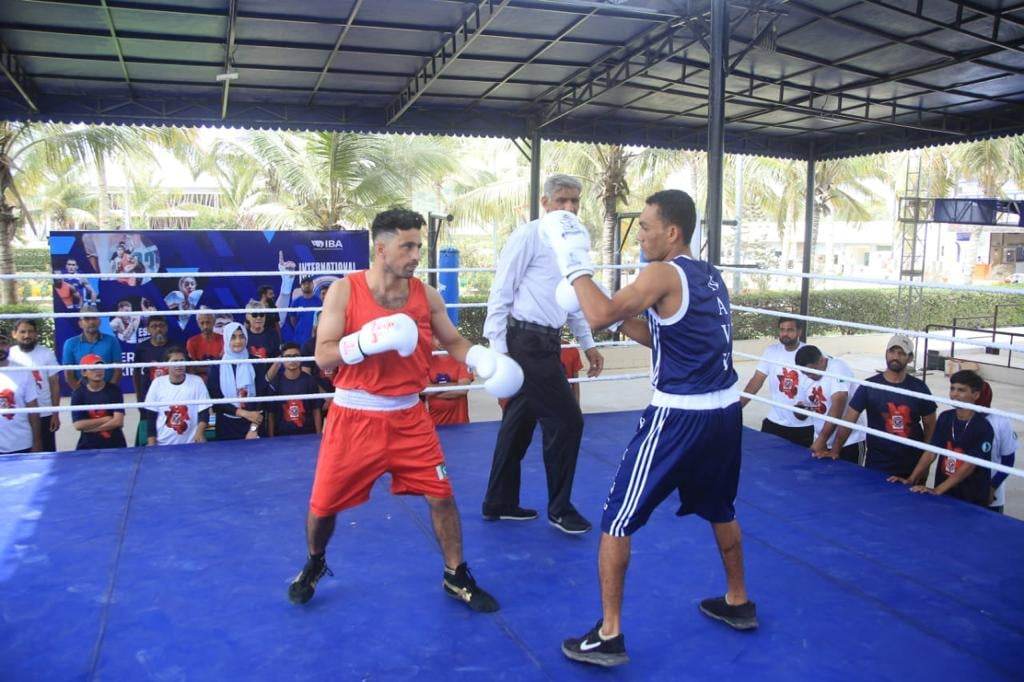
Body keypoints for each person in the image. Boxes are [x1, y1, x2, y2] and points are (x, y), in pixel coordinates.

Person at [545, 190, 755, 668]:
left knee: (617, 517)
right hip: (724, 412)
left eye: (644, 226)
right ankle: (739, 601)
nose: (639, 235)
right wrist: (615, 322)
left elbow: (600, 312)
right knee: (721, 506)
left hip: (678, 416)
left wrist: (574, 266)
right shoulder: (708, 275)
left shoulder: (660, 272)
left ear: (672, 232)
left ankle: (610, 634)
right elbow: (660, 333)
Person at [287, 207, 521, 613]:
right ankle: (314, 561)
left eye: (418, 245)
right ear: (381, 248)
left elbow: (453, 341)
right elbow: (324, 357)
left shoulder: (426, 295)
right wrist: (363, 342)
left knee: (441, 495)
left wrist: (481, 358)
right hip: (354, 416)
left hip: (410, 416)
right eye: (407, 246)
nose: (415, 255)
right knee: (323, 506)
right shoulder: (345, 291)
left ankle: (455, 573)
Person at [481, 174, 604, 534]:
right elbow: (501, 290)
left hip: (548, 341)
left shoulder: (573, 242)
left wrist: (587, 343)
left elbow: (574, 297)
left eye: (575, 202)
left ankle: (498, 501)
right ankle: (560, 509)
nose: (569, 208)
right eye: (562, 200)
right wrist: (498, 349)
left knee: (518, 424)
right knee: (568, 421)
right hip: (525, 342)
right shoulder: (528, 235)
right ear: (545, 202)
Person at [830, 334, 937, 477]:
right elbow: (849, 420)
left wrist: (924, 466)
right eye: (892, 351)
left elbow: (930, 426)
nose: (895, 356)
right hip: (877, 463)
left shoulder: (920, 388)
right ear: (886, 353)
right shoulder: (869, 386)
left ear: (910, 358)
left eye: (901, 353)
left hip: (911, 464)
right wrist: (835, 451)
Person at [890, 370, 993, 507]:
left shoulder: (983, 427)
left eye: (961, 390)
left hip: (971, 498)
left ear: (975, 394)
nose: (954, 394)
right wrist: (911, 479)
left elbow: (969, 466)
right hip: (944, 494)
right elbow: (931, 451)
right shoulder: (946, 417)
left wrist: (937, 490)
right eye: (952, 388)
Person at [739, 317, 812, 447]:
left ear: (799, 332)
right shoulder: (771, 351)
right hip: (775, 421)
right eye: (782, 329)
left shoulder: (809, 353)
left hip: (804, 424)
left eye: (790, 330)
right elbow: (756, 381)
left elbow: (821, 385)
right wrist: (737, 409)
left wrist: (810, 405)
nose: (785, 334)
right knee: (764, 462)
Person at [793, 345, 866, 463]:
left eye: (811, 371)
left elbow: (838, 404)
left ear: (822, 360)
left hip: (850, 441)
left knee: (850, 480)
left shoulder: (838, 367)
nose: (809, 376)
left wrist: (821, 440)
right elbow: (801, 411)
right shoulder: (806, 375)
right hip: (823, 440)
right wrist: (800, 411)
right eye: (805, 373)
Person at [9, 318, 61, 451]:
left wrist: (55, 413)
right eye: (22, 332)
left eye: (30, 331)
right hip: (19, 415)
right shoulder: (9, 355)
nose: (27, 335)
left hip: (44, 414)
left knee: (47, 455)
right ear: (14, 334)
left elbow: (54, 385)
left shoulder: (46, 354)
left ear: (36, 334)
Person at [144, 346, 211, 447]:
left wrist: (200, 433)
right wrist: (152, 443)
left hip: (191, 444)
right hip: (163, 444)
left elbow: (204, 413)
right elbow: (151, 417)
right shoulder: (157, 383)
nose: (179, 364)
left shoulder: (197, 381)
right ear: (166, 365)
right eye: (175, 361)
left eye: (181, 361)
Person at [206, 322, 263, 441]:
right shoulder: (217, 366)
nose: (238, 341)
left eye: (242, 336)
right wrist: (244, 413)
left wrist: (253, 429)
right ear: (226, 339)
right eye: (233, 337)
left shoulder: (256, 363)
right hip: (226, 425)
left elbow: (262, 397)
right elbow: (216, 400)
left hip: (253, 424)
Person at [70, 354, 126, 450]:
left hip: (115, 444)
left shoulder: (114, 390)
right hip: (87, 445)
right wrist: (106, 419)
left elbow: (118, 422)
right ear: (84, 372)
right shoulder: (78, 393)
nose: (98, 371)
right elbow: (78, 425)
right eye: (93, 368)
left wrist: (91, 429)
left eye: (100, 367)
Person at [0, 328, 43, 454]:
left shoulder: (23, 371)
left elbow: (33, 411)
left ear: (9, 345)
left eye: (3, 343)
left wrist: (37, 442)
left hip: (21, 443)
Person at [976, 383, 1017, 514]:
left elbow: (1008, 461)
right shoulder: (952, 417)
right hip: (959, 490)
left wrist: (992, 488)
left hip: (990, 495)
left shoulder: (1001, 422)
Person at [61, 304, 123, 391]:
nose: (91, 322)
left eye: (94, 318)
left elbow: (118, 370)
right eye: (87, 319)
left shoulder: (112, 341)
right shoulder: (70, 343)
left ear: (99, 321)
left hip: (108, 394)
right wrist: (82, 394)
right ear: (80, 323)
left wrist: (108, 392)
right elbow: (69, 374)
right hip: (81, 395)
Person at [267, 342, 322, 437]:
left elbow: (316, 411)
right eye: (288, 357)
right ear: (282, 360)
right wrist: (271, 439)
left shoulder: (310, 381)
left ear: (301, 359)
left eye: (295, 356)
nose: (292, 360)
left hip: (307, 434)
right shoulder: (275, 383)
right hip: (282, 436)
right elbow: (271, 414)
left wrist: (318, 436)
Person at [132, 315, 171, 446]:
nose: (158, 329)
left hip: (171, 398)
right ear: (148, 330)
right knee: (148, 435)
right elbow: (136, 374)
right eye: (154, 326)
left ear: (166, 328)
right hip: (148, 398)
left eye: (161, 326)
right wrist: (139, 399)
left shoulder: (175, 347)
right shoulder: (141, 349)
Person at [424, 336, 473, 426]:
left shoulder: (461, 359)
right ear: (431, 339)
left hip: (460, 425)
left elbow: (462, 390)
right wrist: (455, 385)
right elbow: (424, 390)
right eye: (437, 337)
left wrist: (434, 390)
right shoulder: (426, 361)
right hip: (434, 424)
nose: (441, 340)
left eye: (443, 336)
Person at [244, 301, 282, 397]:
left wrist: (266, 379)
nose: (259, 318)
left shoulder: (272, 334)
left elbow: (278, 359)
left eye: (262, 314)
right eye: (255, 314)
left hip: (269, 379)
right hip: (247, 381)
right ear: (247, 317)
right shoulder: (243, 335)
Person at [186, 309, 223, 380]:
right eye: (202, 323)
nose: (205, 326)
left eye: (208, 322)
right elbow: (192, 367)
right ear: (198, 323)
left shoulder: (223, 340)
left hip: (220, 378)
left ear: (214, 322)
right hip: (199, 380)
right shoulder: (192, 342)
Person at [287, 274, 321, 345]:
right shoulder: (296, 302)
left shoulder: (319, 301)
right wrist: (300, 328)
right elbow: (292, 319)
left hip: (315, 338)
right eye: (304, 283)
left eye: (309, 283)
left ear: (313, 285)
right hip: (299, 338)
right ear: (301, 286)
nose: (307, 285)